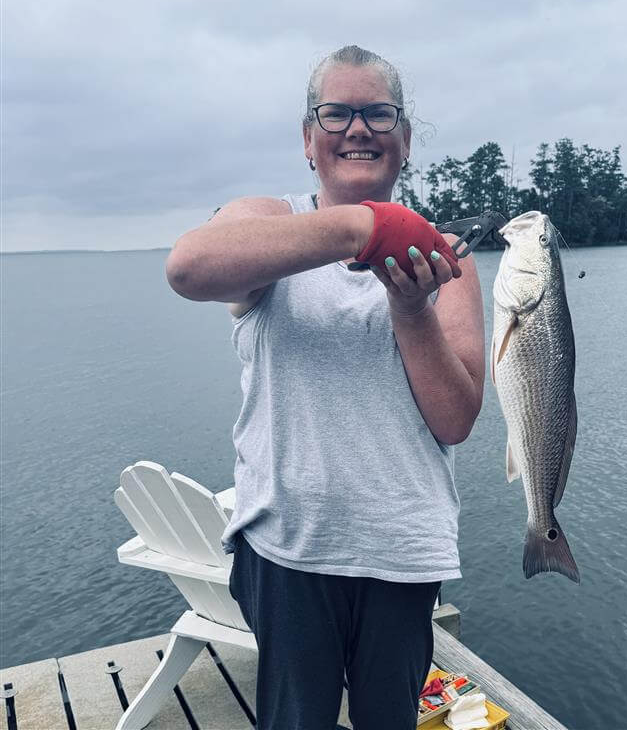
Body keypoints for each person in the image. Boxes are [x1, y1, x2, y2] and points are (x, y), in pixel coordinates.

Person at [165, 45, 486, 730]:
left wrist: (410, 308)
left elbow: (456, 420)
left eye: (378, 114)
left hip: (403, 549)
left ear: (405, 139)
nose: (358, 129)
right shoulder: (264, 221)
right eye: (336, 113)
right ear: (308, 139)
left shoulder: (443, 257)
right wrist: (364, 226)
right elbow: (188, 268)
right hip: (288, 547)